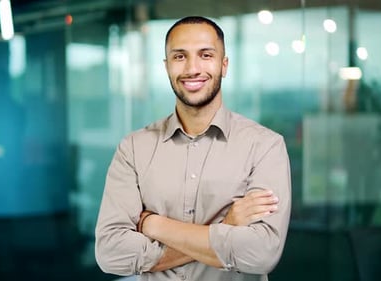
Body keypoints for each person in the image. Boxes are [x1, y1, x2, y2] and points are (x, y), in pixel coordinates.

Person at [95, 16, 291, 281]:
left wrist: (154, 225)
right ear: (166, 67)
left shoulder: (265, 146)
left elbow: (260, 254)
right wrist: (226, 227)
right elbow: (110, 253)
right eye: (179, 57)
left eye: (206, 55)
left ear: (224, 65)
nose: (192, 68)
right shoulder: (133, 148)